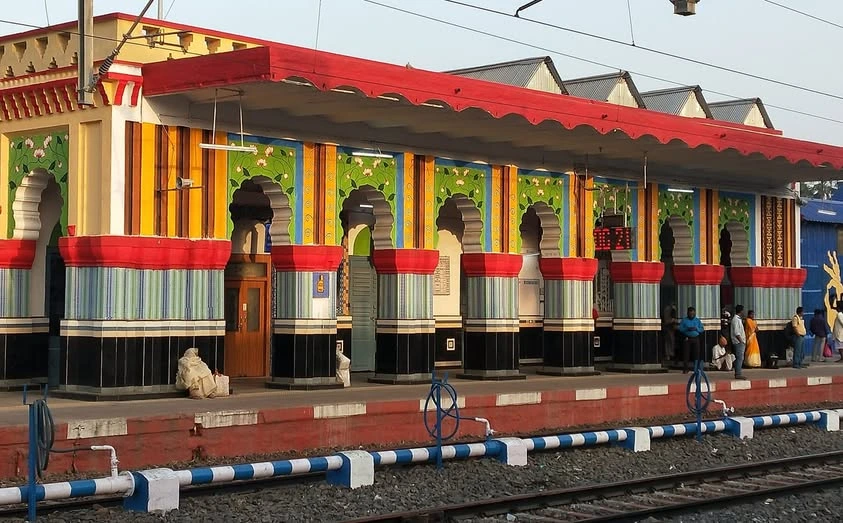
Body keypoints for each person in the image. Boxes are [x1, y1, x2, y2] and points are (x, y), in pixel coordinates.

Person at [678, 306, 704, 373]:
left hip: (696, 338)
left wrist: (696, 329)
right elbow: (680, 329)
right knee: (686, 354)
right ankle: (685, 369)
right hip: (687, 338)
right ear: (688, 313)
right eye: (690, 314)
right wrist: (687, 329)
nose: (692, 315)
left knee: (696, 354)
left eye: (693, 314)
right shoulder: (684, 320)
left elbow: (702, 329)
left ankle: (696, 368)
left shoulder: (697, 320)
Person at [731, 305, 748, 380]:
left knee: (740, 358)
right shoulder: (736, 320)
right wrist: (741, 341)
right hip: (738, 342)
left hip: (740, 342)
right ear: (741, 311)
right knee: (739, 358)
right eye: (743, 311)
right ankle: (738, 373)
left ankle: (738, 371)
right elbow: (736, 332)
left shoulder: (738, 319)